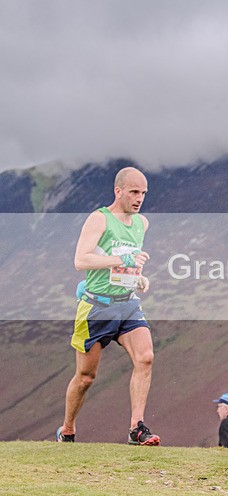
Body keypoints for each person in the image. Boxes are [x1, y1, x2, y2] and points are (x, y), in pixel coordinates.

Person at [56, 167, 159, 446]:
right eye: (134, 192)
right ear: (119, 191)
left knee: (146, 357)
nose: (139, 199)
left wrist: (138, 279)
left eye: (143, 193)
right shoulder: (99, 219)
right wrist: (120, 262)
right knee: (86, 377)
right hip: (96, 306)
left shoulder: (141, 224)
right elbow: (82, 260)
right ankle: (67, 429)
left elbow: (128, 264)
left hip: (127, 305)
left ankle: (137, 428)